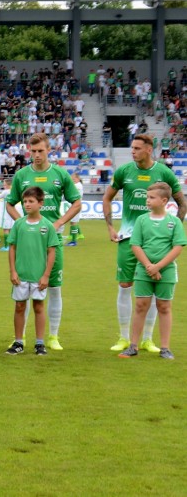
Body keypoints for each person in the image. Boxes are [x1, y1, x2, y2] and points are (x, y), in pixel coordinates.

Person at [103, 133, 186, 353]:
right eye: (132, 148)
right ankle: (123, 337)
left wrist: (173, 229)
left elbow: (182, 202)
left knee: (153, 289)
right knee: (124, 285)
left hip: (155, 241)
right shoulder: (124, 171)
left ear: (149, 150)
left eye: (138, 148)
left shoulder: (163, 172)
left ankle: (148, 339)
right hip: (129, 237)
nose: (133, 151)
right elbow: (107, 197)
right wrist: (111, 227)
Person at [5, 133, 81, 351]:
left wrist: (57, 224)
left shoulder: (60, 174)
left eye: (41, 150)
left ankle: (52, 337)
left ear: (49, 150)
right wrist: (22, 223)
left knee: (53, 287)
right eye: (33, 151)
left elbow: (76, 203)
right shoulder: (22, 175)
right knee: (24, 287)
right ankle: (21, 339)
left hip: (52, 240)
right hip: (28, 243)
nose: (37, 155)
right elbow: (10, 204)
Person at [119, 183, 186, 359]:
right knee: (141, 306)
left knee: (164, 307)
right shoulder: (142, 220)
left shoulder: (174, 222)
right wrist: (149, 266)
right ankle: (133, 345)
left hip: (167, 271)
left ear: (164, 201)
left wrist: (158, 266)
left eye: (151, 198)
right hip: (143, 270)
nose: (147, 201)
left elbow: (178, 247)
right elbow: (135, 245)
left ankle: (165, 348)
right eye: (147, 197)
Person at [5, 187, 59, 356]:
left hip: (38, 275)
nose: (27, 205)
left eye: (31, 201)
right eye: (25, 202)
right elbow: (12, 248)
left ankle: (39, 343)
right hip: (21, 275)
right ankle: (19, 341)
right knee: (20, 306)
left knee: (38, 307)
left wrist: (46, 275)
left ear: (40, 203)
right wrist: (12, 271)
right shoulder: (19, 224)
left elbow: (52, 251)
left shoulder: (47, 226)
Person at [66, 173, 85, 246]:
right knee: (74, 221)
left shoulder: (78, 185)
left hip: (76, 205)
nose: (72, 180)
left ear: (78, 178)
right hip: (75, 205)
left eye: (73, 179)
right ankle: (78, 235)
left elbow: (70, 189)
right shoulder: (78, 185)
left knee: (73, 222)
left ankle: (74, 241)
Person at [0, 178, 13, 251]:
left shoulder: (5, 192)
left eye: (4, 184)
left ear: (7, 185)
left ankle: (6, 247)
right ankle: (12, 246)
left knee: (6, 229)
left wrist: (0, 199)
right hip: (12, 212)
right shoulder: (13, 191)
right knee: (11, 229)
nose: (4, 185)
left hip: (6, 213)